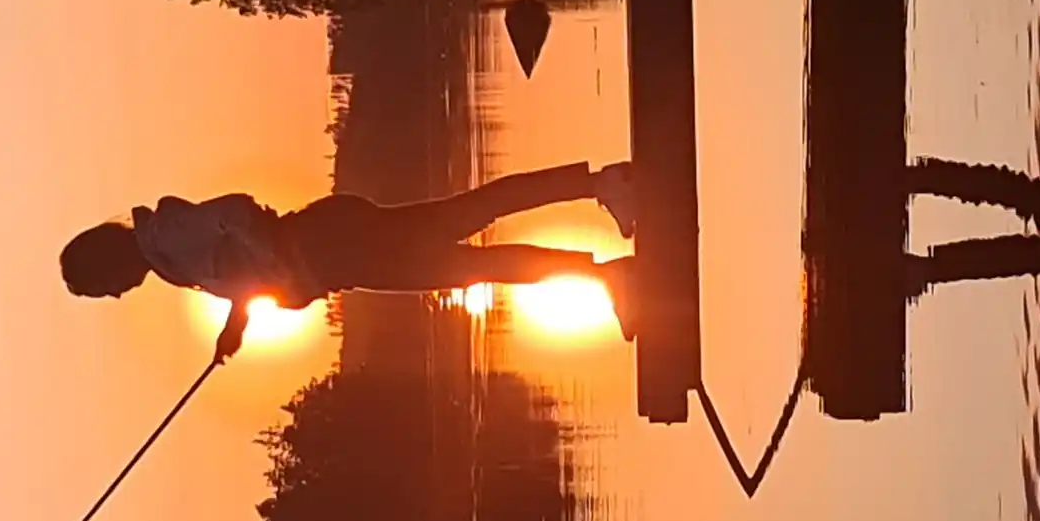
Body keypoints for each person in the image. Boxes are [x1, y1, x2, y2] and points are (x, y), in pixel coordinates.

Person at [61, 161, 641, 361]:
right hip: (336, 254)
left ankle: (601, 200)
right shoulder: (167, 257)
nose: (114, 295)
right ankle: (602, 247)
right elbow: (241, 260)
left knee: (467, 236)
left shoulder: (163, 234)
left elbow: (236, 213)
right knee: (469, 250)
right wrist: (237, 322)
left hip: (331, 245)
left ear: (105, 265)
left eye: (101, 288)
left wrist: (280, 271)